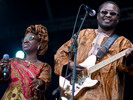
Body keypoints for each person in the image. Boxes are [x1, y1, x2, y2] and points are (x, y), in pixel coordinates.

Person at [54, 1, 133, 100]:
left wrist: (129, 59)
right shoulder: (83, 34)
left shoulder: (123, 43)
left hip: (104, 93)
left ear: (117, 19)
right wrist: (69, 64)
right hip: (77, 93)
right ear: (97, 15)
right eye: (104, 12)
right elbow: (60, 54)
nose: (108, 15)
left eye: (112, 14)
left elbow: (127, 68)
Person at [0, 24, 52, 100]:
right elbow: (2, 78)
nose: (26, 41)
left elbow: (45, 82)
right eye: (24, 39)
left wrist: (40, 82)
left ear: (39, 44)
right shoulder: (13, 61)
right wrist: (2, 68)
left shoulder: (44, 66)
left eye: (31, 38)